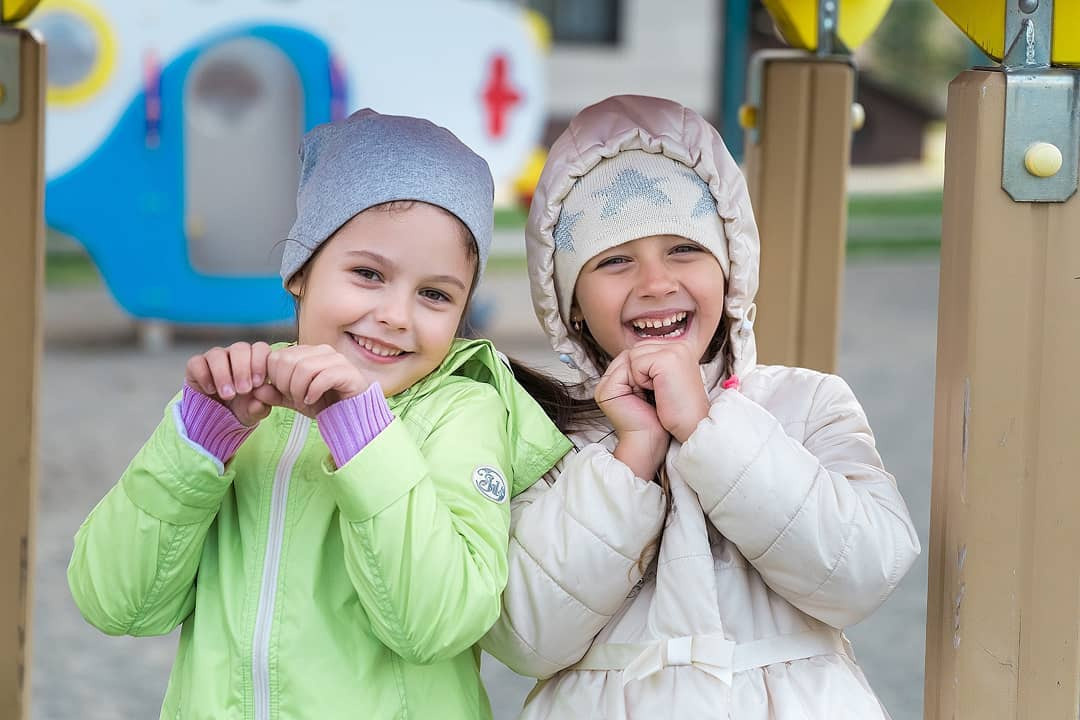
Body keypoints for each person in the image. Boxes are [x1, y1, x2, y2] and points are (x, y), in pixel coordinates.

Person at [67, 109, 570, 720]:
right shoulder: (238, 402)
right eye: (368, 274)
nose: (395, 314)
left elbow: (437, 623)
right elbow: (115, 602)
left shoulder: (462, 411)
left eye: (434, 294)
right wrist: (199, 441)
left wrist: (363, 437)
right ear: (301, 272)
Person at [480, 94, 921, 718]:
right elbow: (526, 635)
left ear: (730, 267)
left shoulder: (808, 402)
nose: (656, 282)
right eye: (614, 260)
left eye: (684, 250)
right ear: (570, 300)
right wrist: (631, 456)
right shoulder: (546, 430)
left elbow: (864, 572)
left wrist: (709, 430)